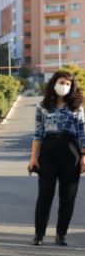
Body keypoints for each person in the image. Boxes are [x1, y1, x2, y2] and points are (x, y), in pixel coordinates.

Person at [27, 70, 85, 246]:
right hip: (48, 152)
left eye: (68, 84)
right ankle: (39, 234)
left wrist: (83, 156)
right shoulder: (42, 106)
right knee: (45, 194)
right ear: (54, 83)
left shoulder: (77, 107)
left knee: (68, 196)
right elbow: (38, 133)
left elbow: (82, 133)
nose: (64, 86)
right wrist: (33, 158)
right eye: (62, 82)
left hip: (71, 152)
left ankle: (61, 234)